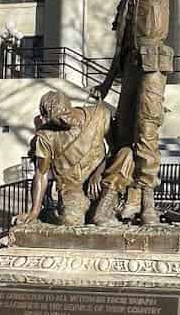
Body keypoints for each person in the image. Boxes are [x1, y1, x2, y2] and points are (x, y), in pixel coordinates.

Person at [89, 0, 173, 228]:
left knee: (146, 132)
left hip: (153, 64)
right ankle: (110, 199)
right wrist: (107, 84)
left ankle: (147, 203)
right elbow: (120, 49)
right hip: (130, 69)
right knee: (123, 136)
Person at [14, 90, 112, 228]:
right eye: (57, 118)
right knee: (71, 221)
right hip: (71, 188)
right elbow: (41, 174)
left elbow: (115, 149)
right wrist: (34, 211)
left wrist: (98, 173)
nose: (64, 120)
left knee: (127, 156)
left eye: (65, 114)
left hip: (102, 181)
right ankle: (48, 213)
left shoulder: (100, 115)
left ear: (69, 107)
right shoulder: (46, 136)